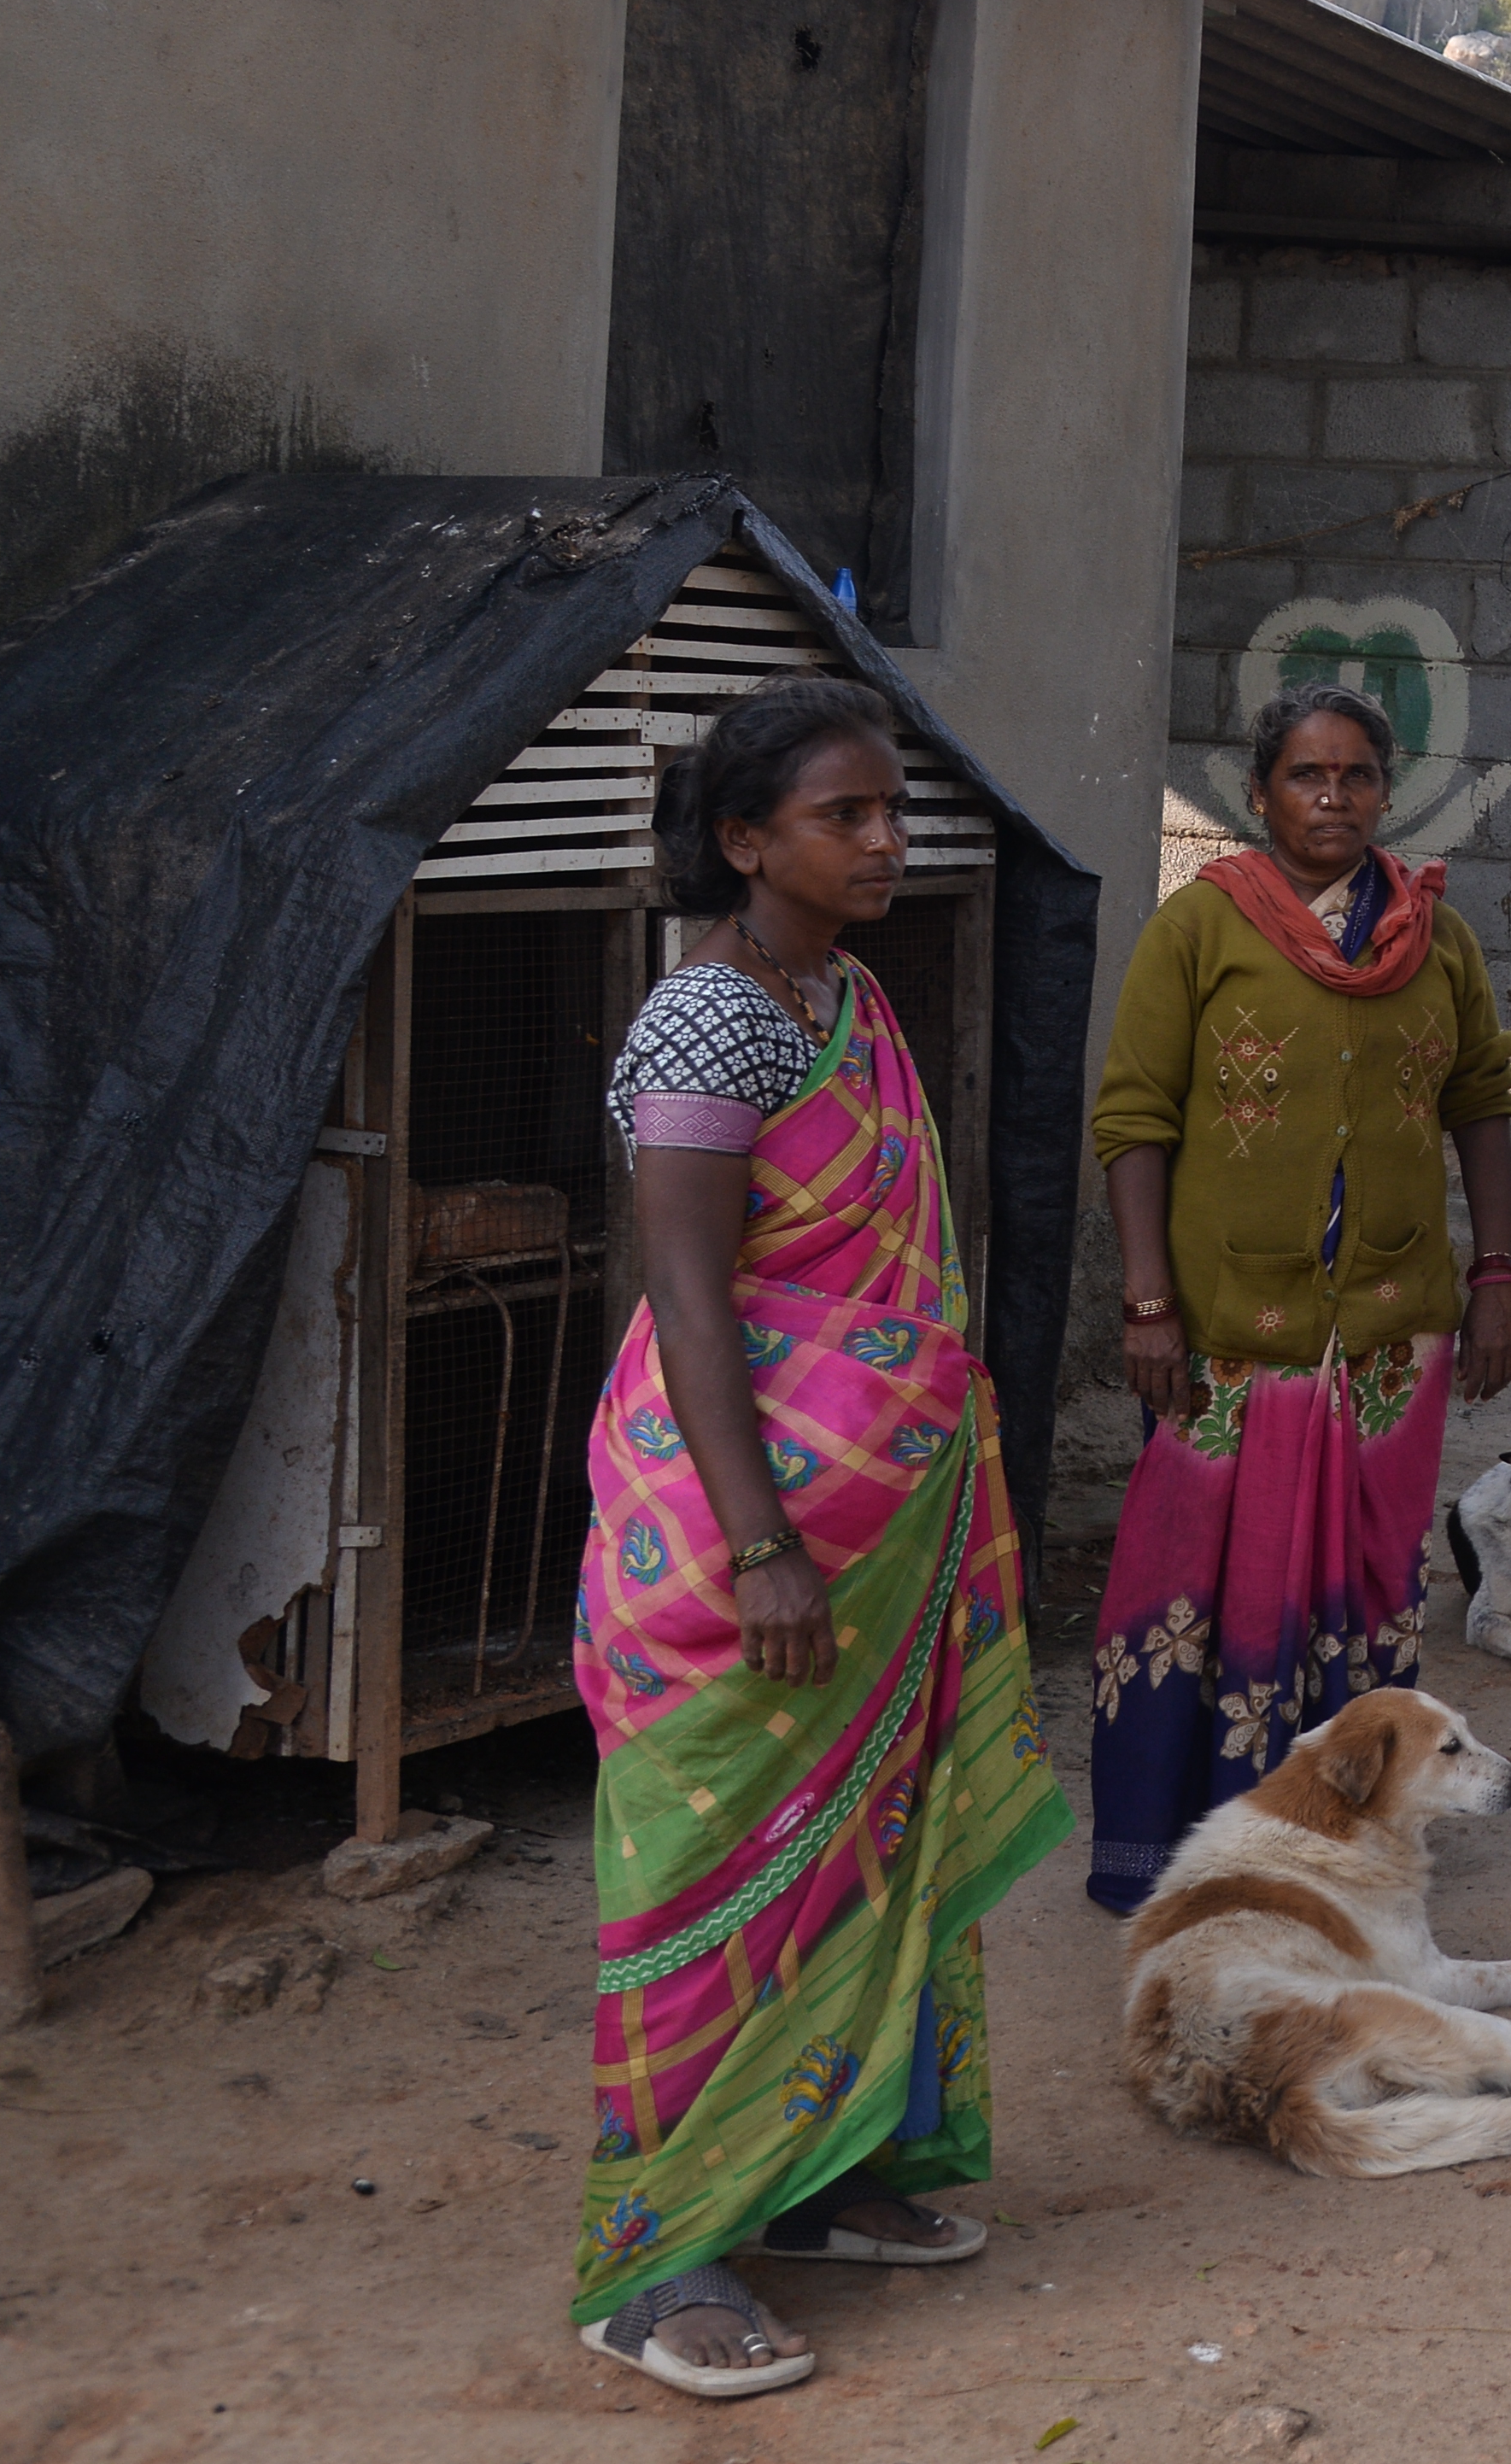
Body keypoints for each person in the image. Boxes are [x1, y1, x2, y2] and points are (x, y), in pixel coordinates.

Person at [572, 676, 1063, 2401]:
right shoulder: (710, 1021)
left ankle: (820, 2172)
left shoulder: (844, 991)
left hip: (879, 1533)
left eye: (891, 811)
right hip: (738, 1534)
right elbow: (691, 1293)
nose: (885, 840)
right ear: (742, 839)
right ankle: (662, 2257)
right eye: (843, 815)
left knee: (865, 1848)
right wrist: (761, 1542)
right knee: (709, 1880)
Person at [1081, 684, 1511, 1911]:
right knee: (1198, 1583)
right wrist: (1147, 1302)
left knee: (1366, 1586)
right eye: (1305, 775)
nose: (1332, 797)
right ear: (1259, 791)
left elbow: (1482, 1101)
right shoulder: (1200, 927)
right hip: (1232, 1332)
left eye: (1356, 775)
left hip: (1389, 1336)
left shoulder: (1437, 938)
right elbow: (1132, 1117)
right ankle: (1181, 1846)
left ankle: (1348, 1847)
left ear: (1387, 787)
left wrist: (1496, 1272)